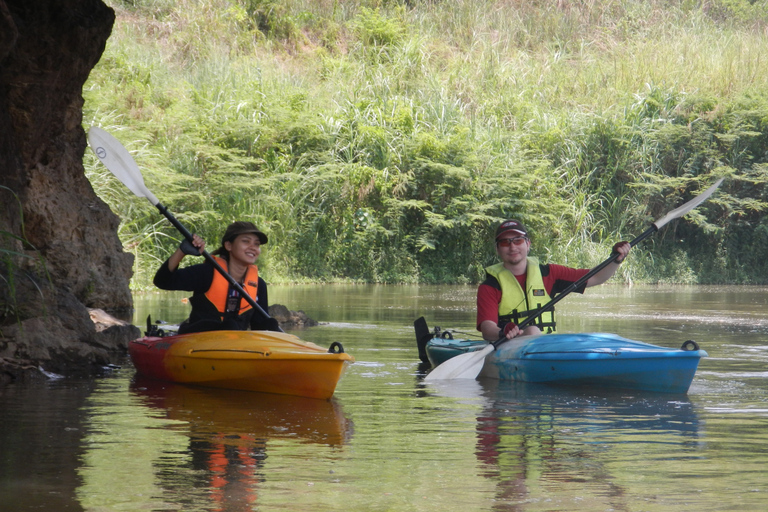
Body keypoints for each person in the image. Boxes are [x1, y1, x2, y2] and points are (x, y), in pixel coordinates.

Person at [477, 219, 631, 342]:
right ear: (497, 249)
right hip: (509, 348)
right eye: (505, 242)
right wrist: (502, 332)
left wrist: (615, 260)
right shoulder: (490, 286)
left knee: (537, 332)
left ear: (528, 244)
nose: (512, 247)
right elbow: (487, 328)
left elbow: (596, 277)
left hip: (548, 347)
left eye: (517, 241)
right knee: (532, 330)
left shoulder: (550, 273)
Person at [153, 221, 281, 334]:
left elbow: (260, 326)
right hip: (198, 338)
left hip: (234, 343)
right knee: (230, 326)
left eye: (257, 244)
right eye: (246, 241)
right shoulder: (207, 273)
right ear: (228, 246)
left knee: (270, 324)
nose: (253, 247)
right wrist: (182, 251)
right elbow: (163, 281)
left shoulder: (259, 285)